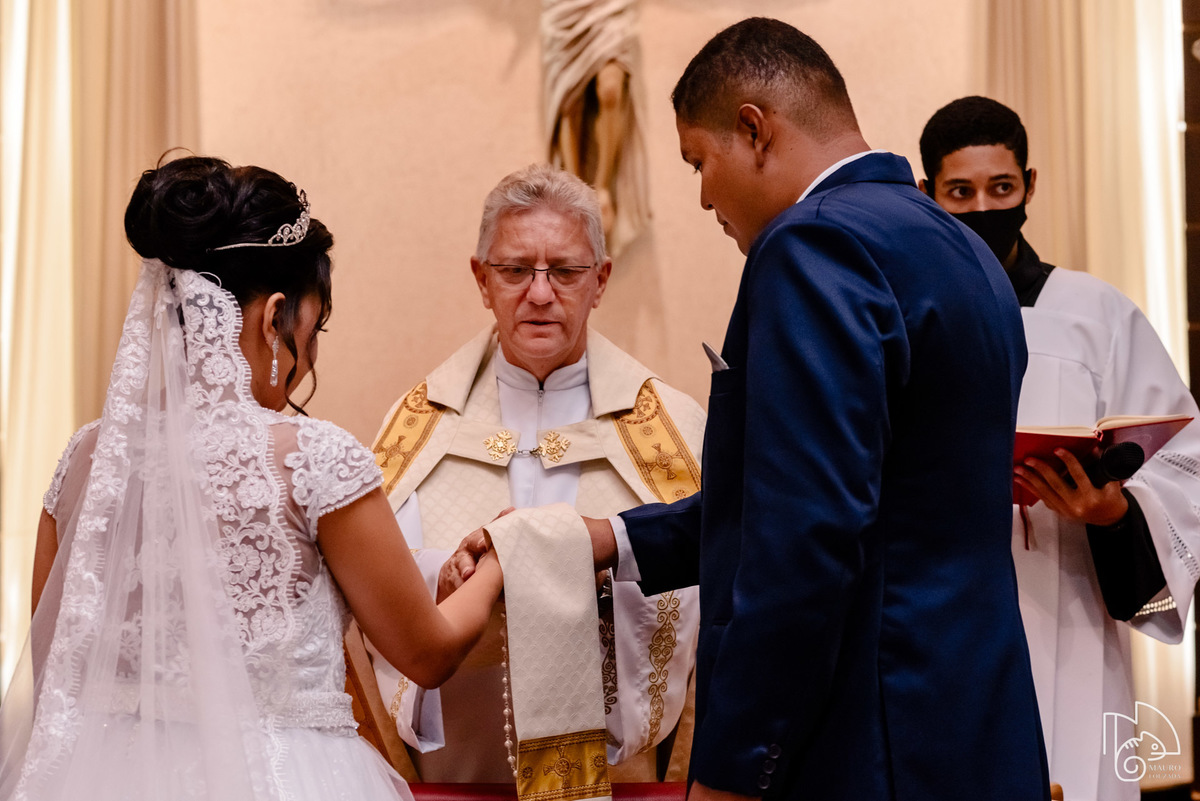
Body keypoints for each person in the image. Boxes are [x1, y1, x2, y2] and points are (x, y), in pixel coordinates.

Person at [552, 18, 1049, 800]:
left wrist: (737, 762)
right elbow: (883, 498)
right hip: (975, 726)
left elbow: (806, 537)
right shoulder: (959, 250)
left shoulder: (813, 247)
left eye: (699, 162)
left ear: (754, 129)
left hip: (865, 738)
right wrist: (614, 538)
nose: (706, 195)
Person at [0, 156, 504, 801]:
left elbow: (55, 665)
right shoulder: (315, 458)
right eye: (312, 327)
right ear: (273, 320)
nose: (312, 351)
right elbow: (427, 654)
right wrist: (497, 563)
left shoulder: (86, 459)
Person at [361, 163, 703, 781]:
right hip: (460, 777)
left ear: (600, 280)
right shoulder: (415, 428)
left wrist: (589, 588)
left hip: (612, 783)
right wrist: (444, 579)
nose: (540, 294)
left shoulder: (675, 432)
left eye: (565, 271)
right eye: (515, 270)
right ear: (481, 279)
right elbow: (369, 584)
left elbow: (714, 599)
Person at [920, 96, 1200, 801]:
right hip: (939, 621)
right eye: (961, 192)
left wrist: (1113, 513)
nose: (984, 206)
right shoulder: (902, 312)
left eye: (1001, 188)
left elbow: (1180, 460)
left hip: (1070, 609)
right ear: (928, 195)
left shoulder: (1094, 312)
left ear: (1030, 187)